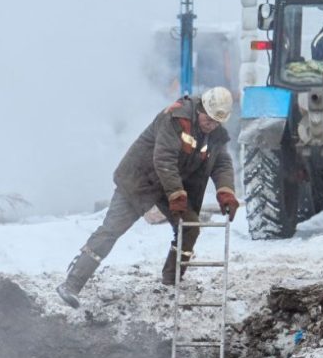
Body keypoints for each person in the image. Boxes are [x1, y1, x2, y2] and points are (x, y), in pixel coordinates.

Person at [55, 87, 240, 308]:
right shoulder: (176, 117)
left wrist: (226, 191)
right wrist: (177, 194)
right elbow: (163, 159)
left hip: (170, 186)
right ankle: (72, 283)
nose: (211, 125)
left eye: (216, 122)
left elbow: (221, 163)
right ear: (201, 108)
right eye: (208, 119)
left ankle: (171, 283)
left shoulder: (215, 134)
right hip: (140, 181)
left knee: (190, 226)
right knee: (112, 228)